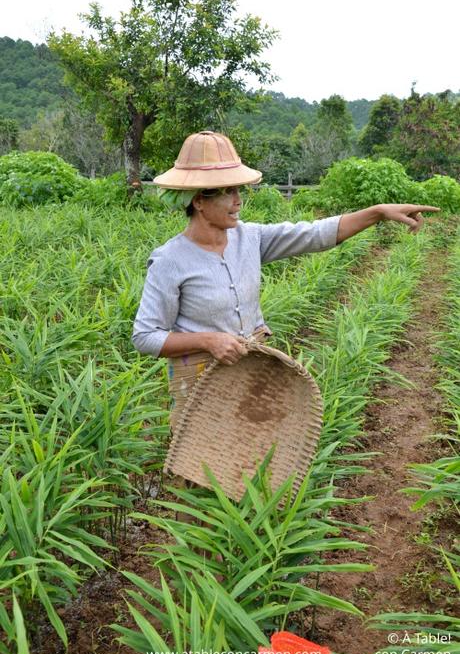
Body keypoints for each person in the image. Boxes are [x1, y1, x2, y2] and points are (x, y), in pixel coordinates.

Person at [132, 130, 439, 432]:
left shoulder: (250, 238)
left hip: (251, 371)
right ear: (199, 201)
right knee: (200, 468)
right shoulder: (170, 260)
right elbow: (145, 336)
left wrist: (377, 213)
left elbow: (314, 234)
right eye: (229, 192)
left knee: (248, 464)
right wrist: (209, 341)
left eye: (239, 190)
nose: (239, 201)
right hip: (198, 380)